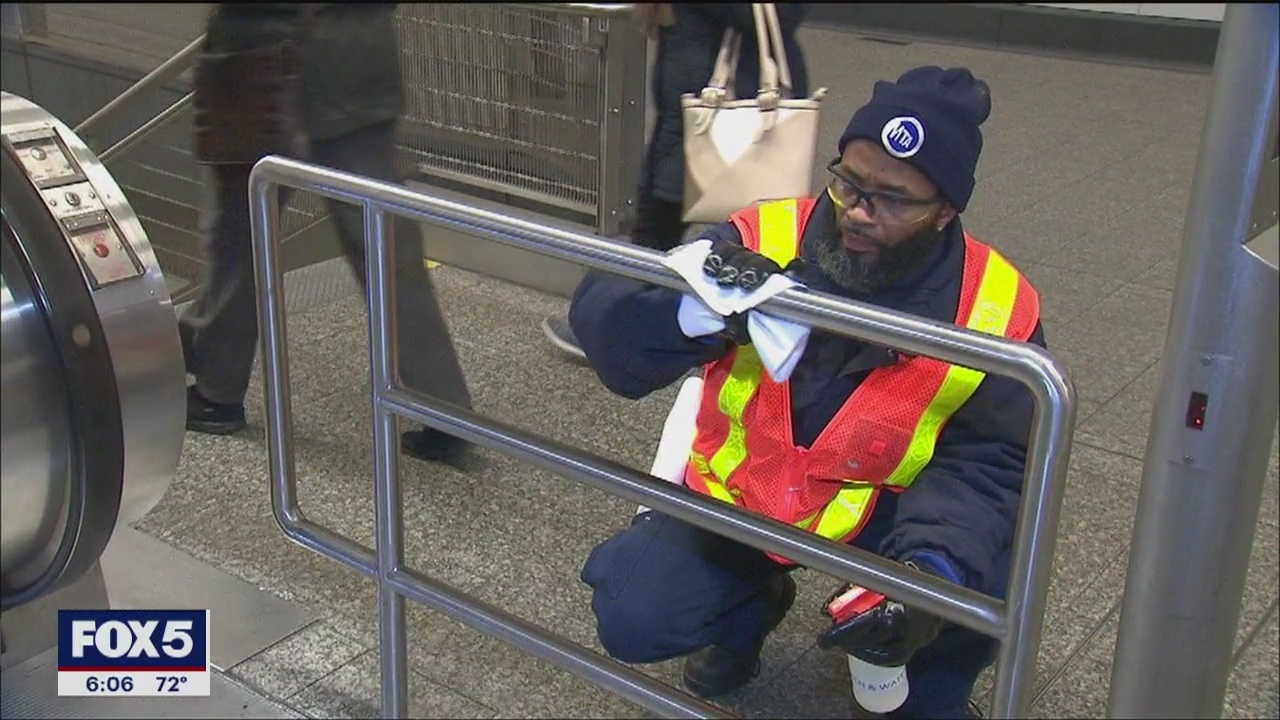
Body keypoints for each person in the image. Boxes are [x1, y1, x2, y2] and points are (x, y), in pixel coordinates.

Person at [568, 66, 1045, 719]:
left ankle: (925, 686)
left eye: (892, 198)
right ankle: (751, 606)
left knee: (973, 593)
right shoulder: (766, 236)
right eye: (847, 179)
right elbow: (612, 321)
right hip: (746, 499)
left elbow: (993, 461)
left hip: (891, 517)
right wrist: (699, 311)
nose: (856, 210)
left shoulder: (997, 308)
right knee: (635, 613)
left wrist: (931, 572)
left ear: (945, 211)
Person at [179, 3, 472, 462]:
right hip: (363, 56)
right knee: (384, 242)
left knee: (240, 234)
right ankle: (444, 406)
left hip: (272, 65)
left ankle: (216, 387)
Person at [541, 2, 810, 361]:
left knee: (684, 231)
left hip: (734, 113)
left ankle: (607, 333)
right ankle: (610, 331)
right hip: (694, 113)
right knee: (657, 229)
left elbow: (779, 14)